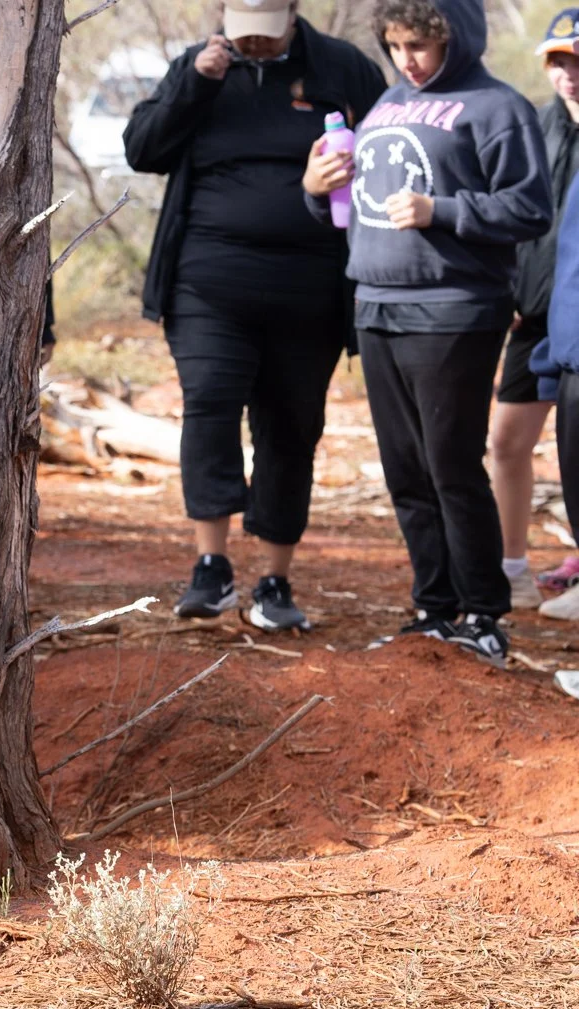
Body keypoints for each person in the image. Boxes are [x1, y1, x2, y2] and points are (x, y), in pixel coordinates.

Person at [123, 0, 386, 632]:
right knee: (209, 408)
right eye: (245, 36)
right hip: (208, 286)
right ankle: (210, 568)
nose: (256, 48)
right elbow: (142, 150)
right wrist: (196, 83)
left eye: (267, 36)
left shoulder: (341, 68)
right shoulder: (197, 68)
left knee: (291, 426)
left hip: (311, 286)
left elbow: (392, 146)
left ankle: (275, 579)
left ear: (293, 15)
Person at [304, 0, 553, 666]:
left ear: (455, 38)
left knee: (450, 463)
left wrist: (439, 209)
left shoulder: (497, 107)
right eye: (395, 46)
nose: (407, 59)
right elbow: (356, 207)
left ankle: (485, 615)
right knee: (406, 470)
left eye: (419, 45)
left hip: (455, 306)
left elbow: (530, 207)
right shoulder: (386, 105)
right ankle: (434, 608)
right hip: (377, 302)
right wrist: (315, 186)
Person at [497, 15, 579, 618]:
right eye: (559, 61)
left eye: (578, 61)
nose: (568, 75)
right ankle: (512, 569)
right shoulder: (532, 126)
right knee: (508, 441)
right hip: (533, 319)